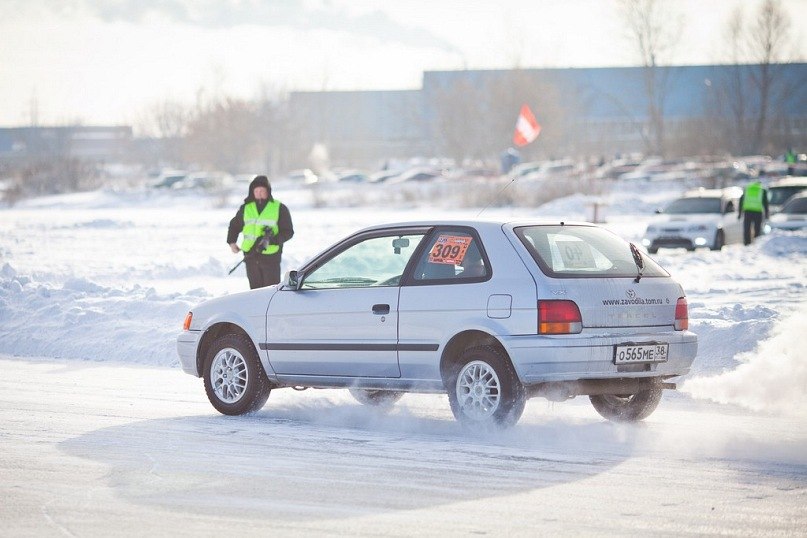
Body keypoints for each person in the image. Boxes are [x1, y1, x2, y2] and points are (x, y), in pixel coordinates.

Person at [227, 175, 294, 289]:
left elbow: (288, 232)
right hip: (250, 255)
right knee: (255, 290)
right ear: (252, 192)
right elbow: (234, 225)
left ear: (268, 191)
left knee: (271, 290)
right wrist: (232, 242)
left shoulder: (279, 208)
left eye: (262, 190)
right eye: (256, 190)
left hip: (271, 256)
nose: (259, 193)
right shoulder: (246, 208)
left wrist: (271, 240)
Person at [737, 180, 769, 246]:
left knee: (747, 228)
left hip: (747, 211)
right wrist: (766, 214)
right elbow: (765, 204)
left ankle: (747, 243)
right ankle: (756, 242)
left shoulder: (747, 189)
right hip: (758, 212)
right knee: (757, 228)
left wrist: (740, 213)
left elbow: (741, 201)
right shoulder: (762, 190)